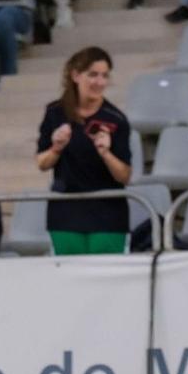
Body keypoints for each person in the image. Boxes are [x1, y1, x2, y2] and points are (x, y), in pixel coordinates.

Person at [35, 46, 131, 256]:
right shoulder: (55, 112)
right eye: (93, 75)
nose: (100, 82)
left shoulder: (116, 119)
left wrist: (106, 153)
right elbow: (42, 163)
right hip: (66, 211)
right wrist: (56, 148)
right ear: (76, 75)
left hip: (107, 213)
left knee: (106, 279)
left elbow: (125, 175)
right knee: (69, 279)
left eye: (105, 76)